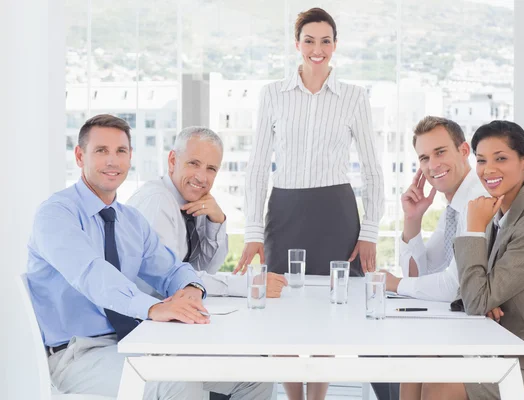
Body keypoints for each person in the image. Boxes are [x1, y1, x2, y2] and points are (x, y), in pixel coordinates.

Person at [26, 114, 273, 399]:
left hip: (137, 340)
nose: (112, 161)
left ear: (130, 157)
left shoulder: (130, 221)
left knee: (254, 375)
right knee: (178, 383)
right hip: (77, 354)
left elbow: (170, 269)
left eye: (120, 151)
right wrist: (152, 308)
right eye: (101, 151)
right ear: (80, 156)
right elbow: (92, 274)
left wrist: (191, 288)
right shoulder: (56, 214)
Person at [236, 7, 384, 400]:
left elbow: (372, 171)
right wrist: (252, 230)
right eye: (309, 40)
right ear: (297, 44)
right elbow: (256, 168)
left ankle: (317, 397)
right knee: (282, 306)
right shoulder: (273, 93)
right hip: (285, 210)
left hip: (336, 210)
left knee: (330, 309)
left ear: (335, 45)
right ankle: (293, 397)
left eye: (325, 41)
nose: (317, 49)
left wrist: (369, 232)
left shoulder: (354, 97)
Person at [409, 120, 524, 400]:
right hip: (518, 354)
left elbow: (476, 298)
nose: (489, 169)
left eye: (501, 158)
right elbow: (469, 293)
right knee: (420, 363)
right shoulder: (497, 213)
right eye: (482, 160)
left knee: (441, 386)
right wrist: (486, 300)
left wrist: (473, 231)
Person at [128, 126, 287, 298]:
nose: (202, 177)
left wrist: (216, 222)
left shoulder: (194, 201)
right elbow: (174, 279)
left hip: (171, 311)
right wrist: (250, 284)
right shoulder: (158, 201)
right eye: (193, 164)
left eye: (211, 168)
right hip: (141, 319)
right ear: (173, 161)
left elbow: (206, 269)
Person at [383, 116, 488, 306]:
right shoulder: (453, 208)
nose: (432, 165)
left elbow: (454, 287)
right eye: (424, 158)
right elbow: (420, 274)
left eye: (440, 152)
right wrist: (412, 218)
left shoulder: (478, 200)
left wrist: (395, 284)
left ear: (464, 151)